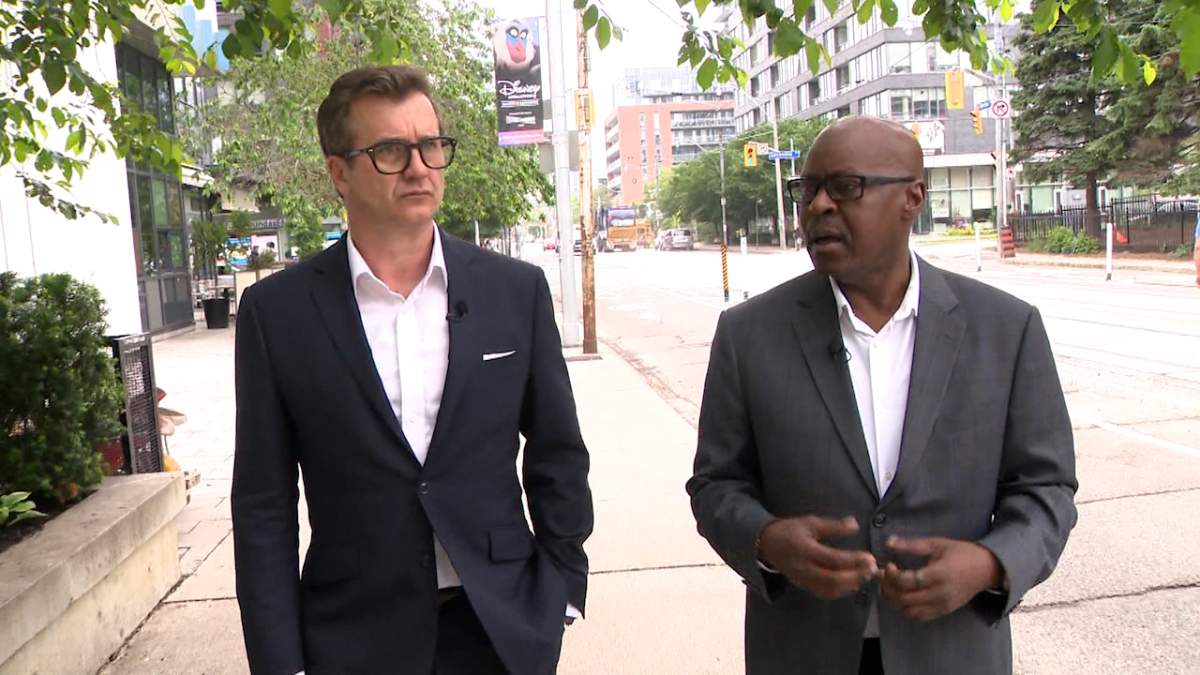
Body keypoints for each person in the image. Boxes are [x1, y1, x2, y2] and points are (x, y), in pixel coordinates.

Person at [232, 65, 593, 675]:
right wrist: (278, 658)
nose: (420, 167)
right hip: (351, 634)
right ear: (338, 172)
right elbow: (263, 502)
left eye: (430, 145)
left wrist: (561, 590)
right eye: (391, 151)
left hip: (500, 628)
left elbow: (558, 452)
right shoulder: (277, 313)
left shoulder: (514, 292)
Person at [686, 116, 1077, 675]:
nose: (818, 205)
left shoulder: (1006, 330)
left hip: (952, 653)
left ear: (911, 198)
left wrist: (990, 564)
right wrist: (768, 542)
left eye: (845, 187)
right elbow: (716, 484)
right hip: (802, 652)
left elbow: (1046, 487)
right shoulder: (748, 335)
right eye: (808, 189)